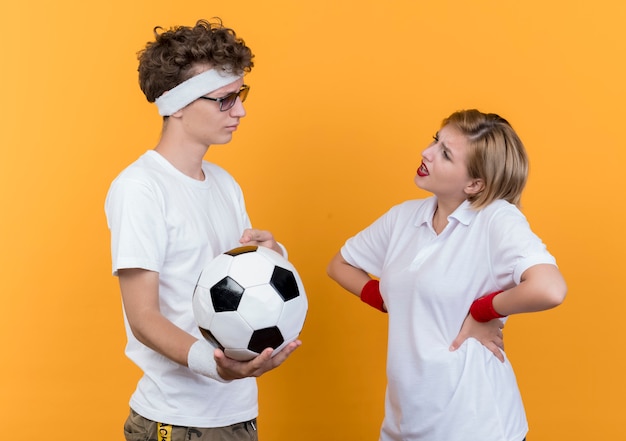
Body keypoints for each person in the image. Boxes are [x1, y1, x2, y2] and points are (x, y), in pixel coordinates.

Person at [105, 19, 300, 441]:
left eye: (240, 96)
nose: (241, 110)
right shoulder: (140, 188)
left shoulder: (225, 184)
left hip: (238, 415)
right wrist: (215, 366)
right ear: (177, 105)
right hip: (177, 423)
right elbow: (143, 317)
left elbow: (235, 284)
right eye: (225, 100)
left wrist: (270, 253)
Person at [327, 109, 567, 441]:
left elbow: (550, 288)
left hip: (476, 425)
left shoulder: (496, 219)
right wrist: (391, 300)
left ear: (474, 183)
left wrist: (484, 311)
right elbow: (339, 265)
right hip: (404, 425)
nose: (426, 153)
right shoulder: (404, 218)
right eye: (435, 141)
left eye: (445, 154)